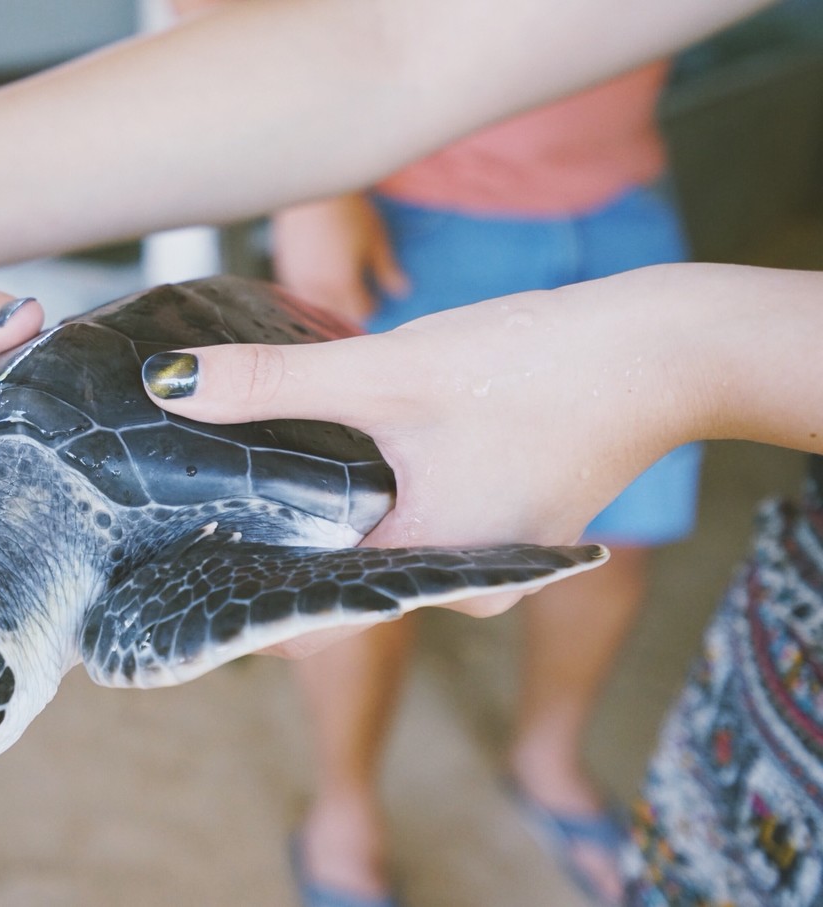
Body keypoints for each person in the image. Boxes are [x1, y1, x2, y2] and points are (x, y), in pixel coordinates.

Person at [0, 0, 822, 902]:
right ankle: (348, 809)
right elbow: (396, 43)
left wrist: (684, 353)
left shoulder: (115, 622)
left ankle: (536, 764)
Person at [262, 65, 697, 907]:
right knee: (365, 556)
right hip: (404, 210)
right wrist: (310, 188)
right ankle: (344, 812)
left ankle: (547, 759)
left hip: (624, 195)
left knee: (617, 536)